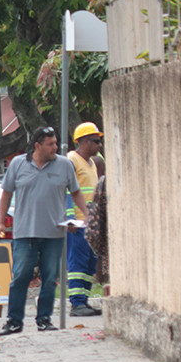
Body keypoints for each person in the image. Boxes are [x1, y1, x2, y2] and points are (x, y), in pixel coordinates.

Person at [0, 126, 90, 336]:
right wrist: (0, 222)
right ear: (37, 145)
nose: (55, 147)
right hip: (24, 232)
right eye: (50, 144)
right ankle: (14, 321)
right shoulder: (18, 164)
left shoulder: (64, 165)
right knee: (20, 276)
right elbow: (6, 194)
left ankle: (44, 319)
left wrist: (86, 216)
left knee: (49, 277)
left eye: (56, 143)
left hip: (54, 232)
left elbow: (76, 193)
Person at [66, 122, 104, 316]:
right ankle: (77, 303)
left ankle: (84, 300)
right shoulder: (71, 160)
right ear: (83, 141)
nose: (99, 145)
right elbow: (65, 190)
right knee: (77, 263)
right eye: (96, 141)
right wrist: (70, 218)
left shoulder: (92, 163)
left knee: (89, 263)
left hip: (90, 222)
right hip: (77, 224)